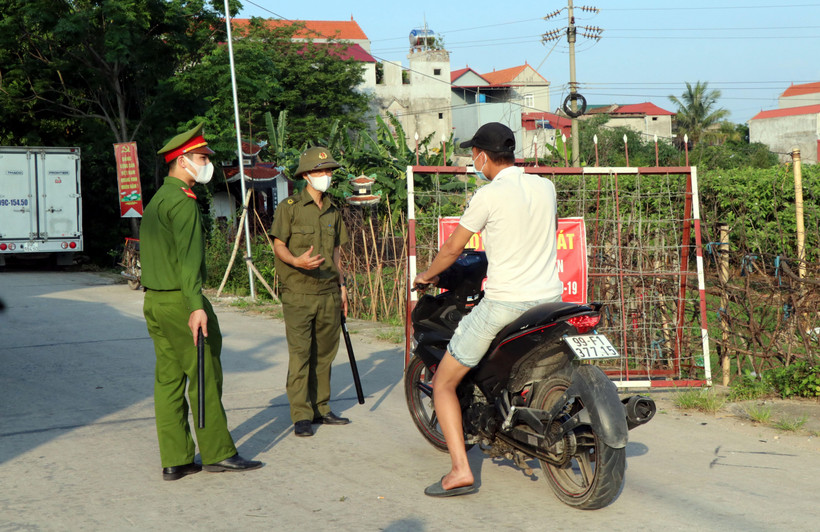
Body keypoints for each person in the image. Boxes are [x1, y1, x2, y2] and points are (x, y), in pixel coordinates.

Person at [412, 122, 564, 497]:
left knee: (443, 383)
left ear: (482, 156)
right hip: (550, 301)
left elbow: (452, 248)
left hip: (505, 303)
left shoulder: (488, 195)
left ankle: (460, 471)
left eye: (473, 154)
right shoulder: (545, 187)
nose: (473, 160)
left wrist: (427, 276)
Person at [141, 122, 262, 481]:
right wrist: (196, 307)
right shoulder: (182, 202)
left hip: (155, 302)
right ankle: (218, 452)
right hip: (182, 302)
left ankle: (175, 459)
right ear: (182, 161)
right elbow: (188, 261)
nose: (207, 163)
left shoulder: (157, 200)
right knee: (204, 375)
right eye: (202, 158)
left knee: (168, 381)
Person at [270, 146, 351, 438]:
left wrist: (342, 287)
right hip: (299, 293)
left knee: (325, 355)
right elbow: (278, 244)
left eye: (329, 170)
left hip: (328, 292)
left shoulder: (333, 210)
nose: (326, 175)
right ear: (306, 175)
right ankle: (301, 414)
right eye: (321, 171)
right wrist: (296, 262)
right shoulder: (289, 207)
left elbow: (337, 252)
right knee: (301, 355)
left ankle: (322, 408)